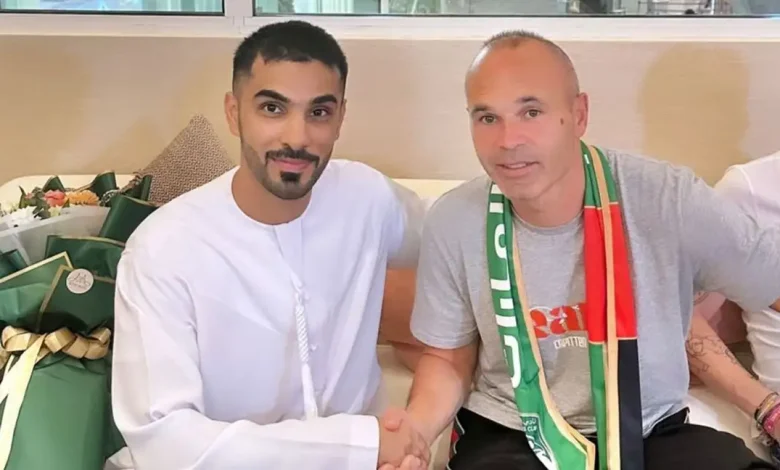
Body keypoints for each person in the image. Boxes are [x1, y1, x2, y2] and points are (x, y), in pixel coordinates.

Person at [380, 30, 780, 470]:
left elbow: (768, 279)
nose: (508, 140)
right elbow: (447, 358)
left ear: (579, 113)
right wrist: (417, 430)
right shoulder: (455, 219)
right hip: (513, 431)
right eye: (487, 117)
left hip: (649, 428)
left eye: (531, 112)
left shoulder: (667, 198)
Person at [110, 20, 431, 470]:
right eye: (272, 108)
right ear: (233, 112)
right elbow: (167, 443)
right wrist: (361, 445)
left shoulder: (368, 199)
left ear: (340, 117)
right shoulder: (162, 249)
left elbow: (455, 242)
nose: (297, 138)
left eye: (319, 112)